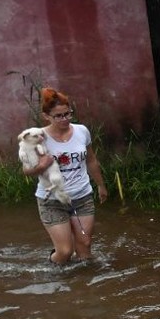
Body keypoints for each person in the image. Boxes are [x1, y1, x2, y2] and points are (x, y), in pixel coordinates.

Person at [22, 88, 108, 265]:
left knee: (85, 246)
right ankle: (52, 269)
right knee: (65, 251)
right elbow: (26, 170)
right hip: (51, 200)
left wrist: (100, 185)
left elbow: (91, 160)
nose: (65, 119)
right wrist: (41, 166)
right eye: (59, 116)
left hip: (82, 197)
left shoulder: (81, 131)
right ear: (47, 116)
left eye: (68, 114)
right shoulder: (38, 137)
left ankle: (86, 285)